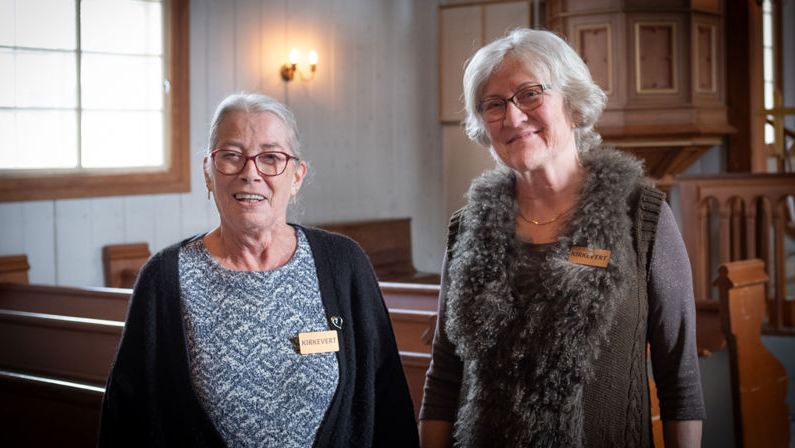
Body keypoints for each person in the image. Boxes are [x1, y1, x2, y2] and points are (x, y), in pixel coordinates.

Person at [419, 28, 705, 447]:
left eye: (530, 94)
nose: (513, 117)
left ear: (572, 104)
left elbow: (679, 379)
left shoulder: (641, 216)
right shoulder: (467, 227)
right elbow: (445, 374)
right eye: (493, 105)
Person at [98, 93, 419, 447]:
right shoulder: (164, 277)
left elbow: (389, 405)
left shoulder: (343, 264)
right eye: (232, 156)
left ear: (297, 176)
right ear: (208, 172)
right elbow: (124, 423)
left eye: (270, 158)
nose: (250, 173)